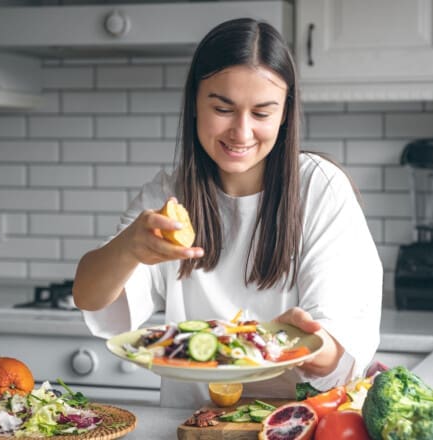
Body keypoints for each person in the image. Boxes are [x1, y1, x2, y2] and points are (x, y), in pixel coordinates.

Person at [73, 17, 383, 408]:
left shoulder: (320, 188)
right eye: (223, 108)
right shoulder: (169, 195)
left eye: (262, 113)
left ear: (285, 113)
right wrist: (127, 250)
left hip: (289, 423)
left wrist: (307, 343)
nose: (241, 132)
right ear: (195, 105)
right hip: (189, 424)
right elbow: (90, 297)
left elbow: (339, 353)